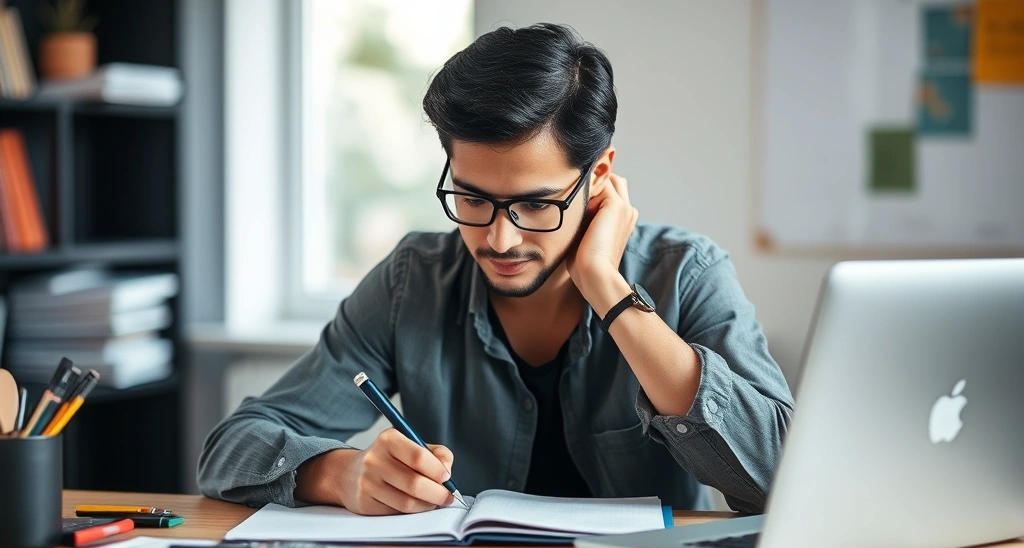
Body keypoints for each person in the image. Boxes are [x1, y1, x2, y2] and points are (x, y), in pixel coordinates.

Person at [198, 23, 792, 515]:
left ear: (600, 177)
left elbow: (779, 478)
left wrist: (608, 292)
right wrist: (341, 474)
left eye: (536, 204)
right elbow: (230, 447)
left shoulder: (685, 273)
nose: (499, 238)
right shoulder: (414, 280)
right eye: (473, 197)